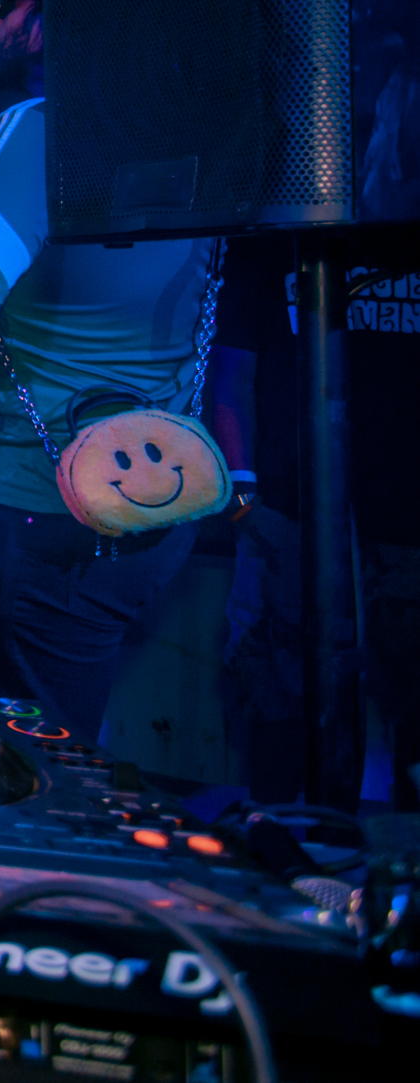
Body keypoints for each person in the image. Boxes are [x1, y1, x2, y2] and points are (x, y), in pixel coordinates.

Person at [0, 0, 217, 745]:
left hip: (44, 509)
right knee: (73, 735)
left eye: (10, 3)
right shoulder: (200, 127)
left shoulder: (42, 129)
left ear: (61, 18)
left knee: (26, 769)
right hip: (158, 505)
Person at [210, 229, 420, 812]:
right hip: (286, 520)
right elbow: (230, 374)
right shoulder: (275, 236)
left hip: (406, 527)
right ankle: (281, 848)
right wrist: (244, 501)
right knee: (276, 706)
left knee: (412, 716)